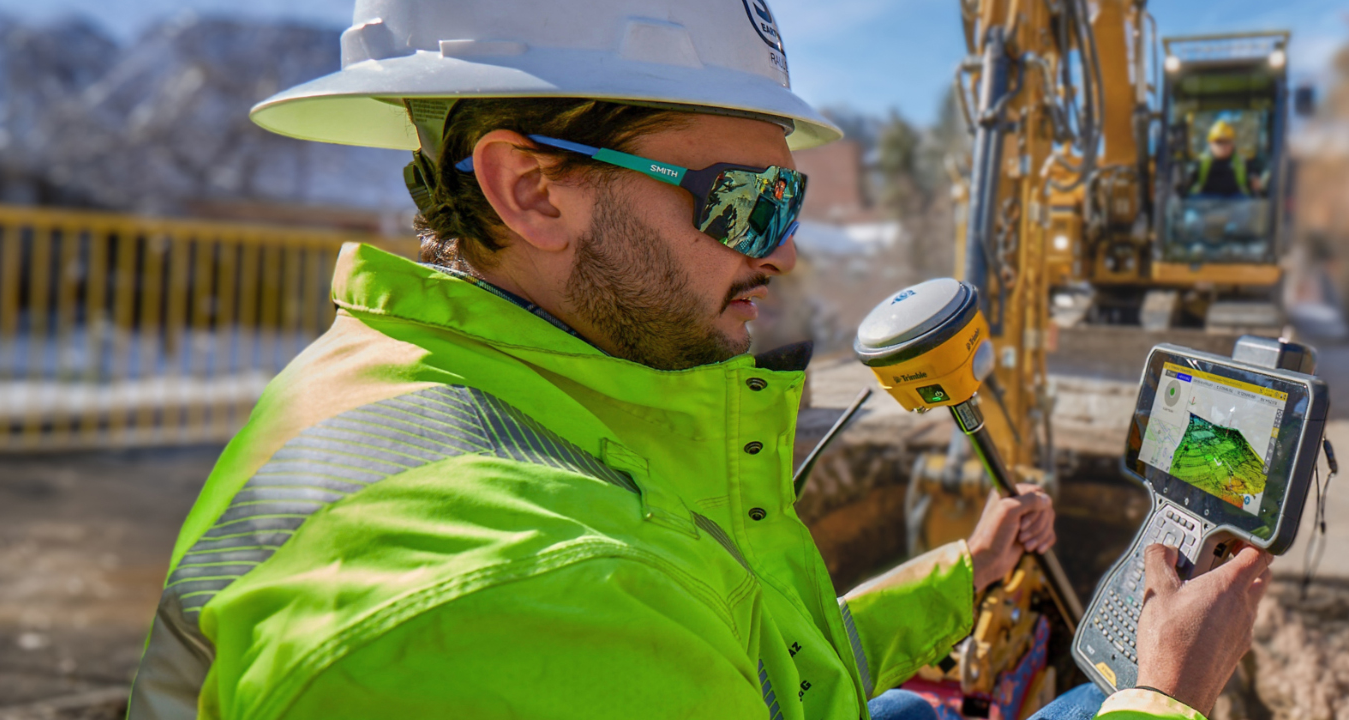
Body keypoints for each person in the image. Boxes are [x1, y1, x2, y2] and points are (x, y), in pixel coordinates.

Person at [126, 2, 1273, 719]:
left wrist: (949, 583)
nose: (778, 253)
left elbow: (741, 659)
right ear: (533, 190)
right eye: (744, 202)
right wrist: (1165, 696)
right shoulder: (511, 599)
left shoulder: (532, 401)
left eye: (790, 199)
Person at [1188, 120, 1265, 197]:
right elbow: (1190, 177)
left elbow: (1253, 175)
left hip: (1236, 202)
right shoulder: (1200, 162)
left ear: (1233, 143)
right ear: (1210, 143)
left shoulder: (1243, 162)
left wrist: (1254, 179)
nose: (1223, 146)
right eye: (1219, 142)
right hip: (1206, 201)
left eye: (1227, 141)